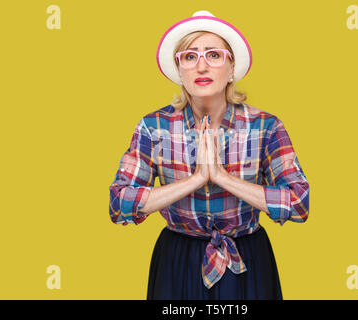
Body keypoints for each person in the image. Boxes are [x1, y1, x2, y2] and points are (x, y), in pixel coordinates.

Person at [108, 10, 310, 300]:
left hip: (248, 259)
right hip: (178, 259)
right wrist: (197, 178)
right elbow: (119, 204)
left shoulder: (265, 126)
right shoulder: (153, 127)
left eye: (214, 55)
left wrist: (221, 177)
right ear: (180, 70)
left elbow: (299, 203)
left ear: (231, 69)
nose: (201, 66)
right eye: (190, 57)